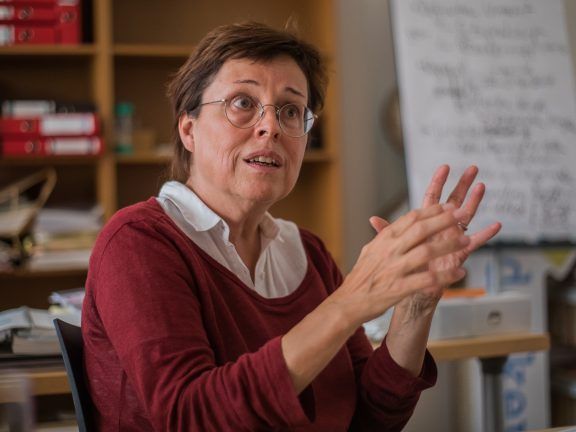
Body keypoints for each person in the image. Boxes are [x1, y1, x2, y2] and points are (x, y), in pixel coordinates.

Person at [81, 22, 501, 431]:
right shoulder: (138, 241)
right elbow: (190, 417)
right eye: (242, 102)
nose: (271, 127)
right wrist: (351, 301)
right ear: (189, 130)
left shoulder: (307, 252)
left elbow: (370, 419)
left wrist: (415, 305)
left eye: (291, 111)